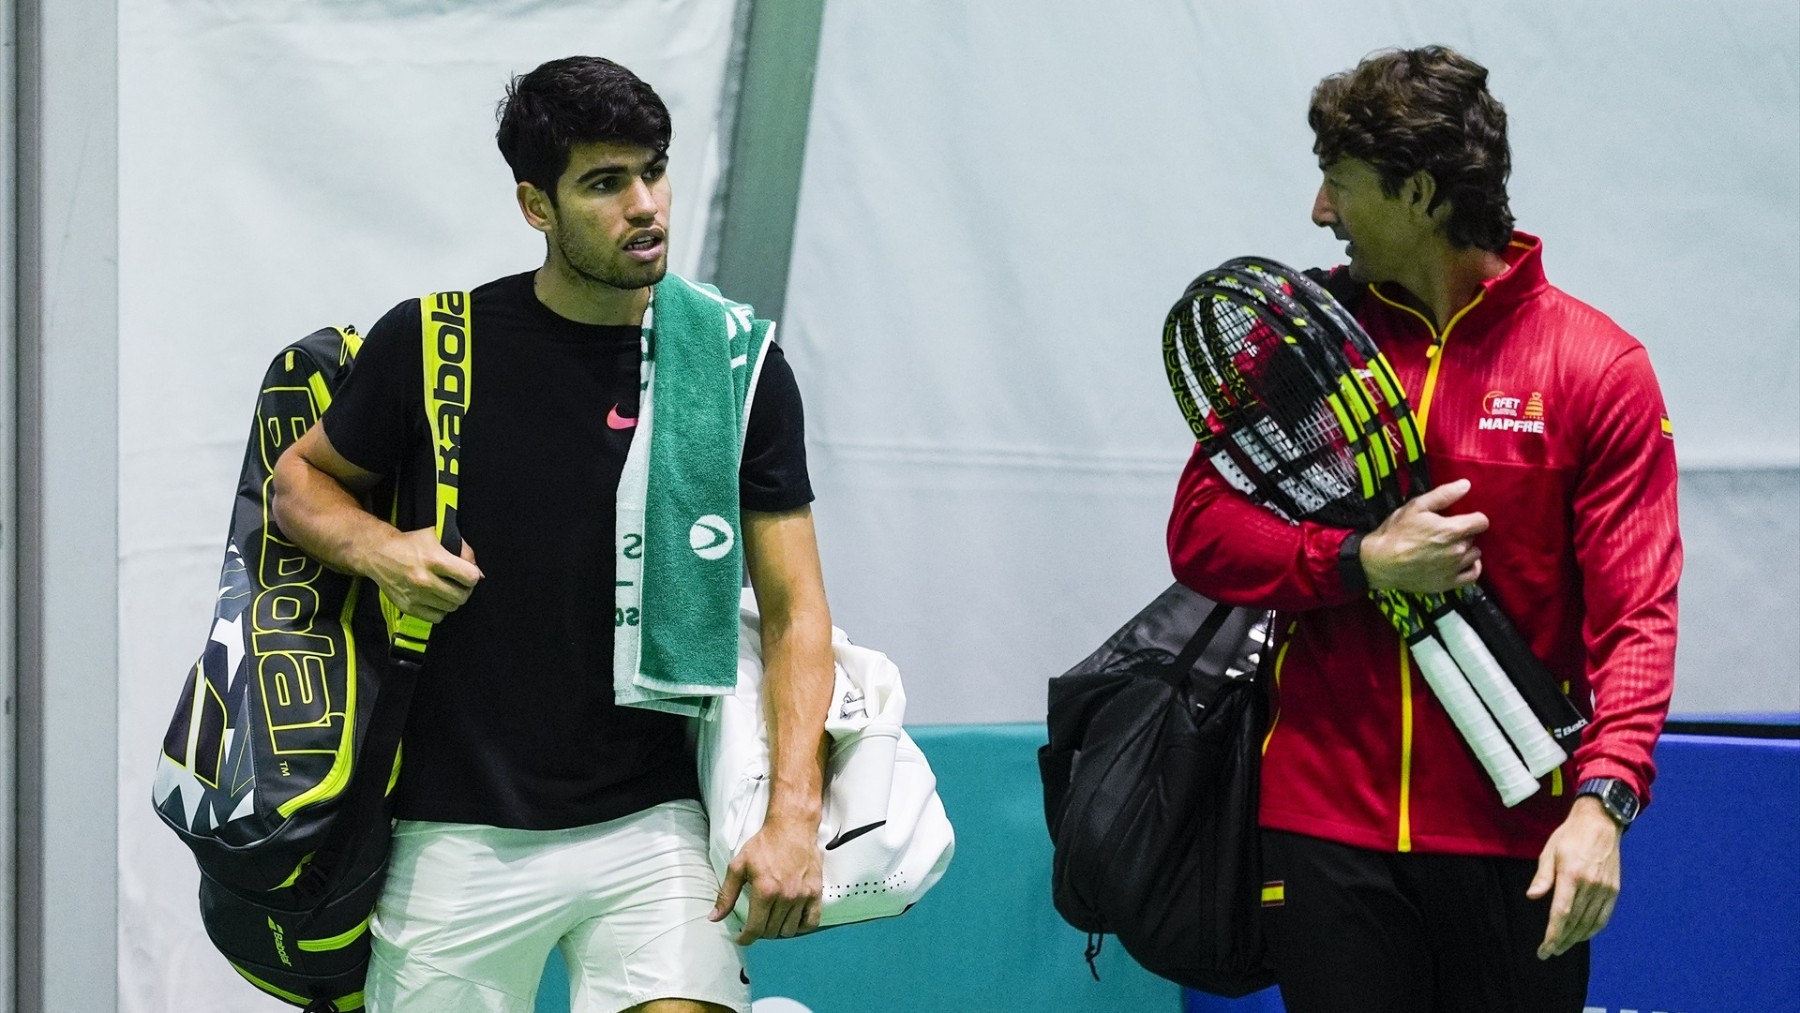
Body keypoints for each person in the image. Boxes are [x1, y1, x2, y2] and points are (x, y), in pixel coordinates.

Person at [272, 55, 833, 1013]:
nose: (646, 204)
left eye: (653, 169)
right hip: (454, 831)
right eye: (606, 183)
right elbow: (299, 483)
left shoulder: (735, 362)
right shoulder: (431, 343)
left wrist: (794, 813)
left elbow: (795, 610)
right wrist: (383, 549)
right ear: (538, 205)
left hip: (653, 825)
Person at [1167, 46, 1679, 1013]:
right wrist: (1361, 559)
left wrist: (1603, 802)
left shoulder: (1598, 368)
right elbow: (1202, 530)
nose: (1321, 211)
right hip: (1324, 831)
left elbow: (1637, 617)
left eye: (1340, 182)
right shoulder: (1301, 339)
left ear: (1422, 193)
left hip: (1517, 840)